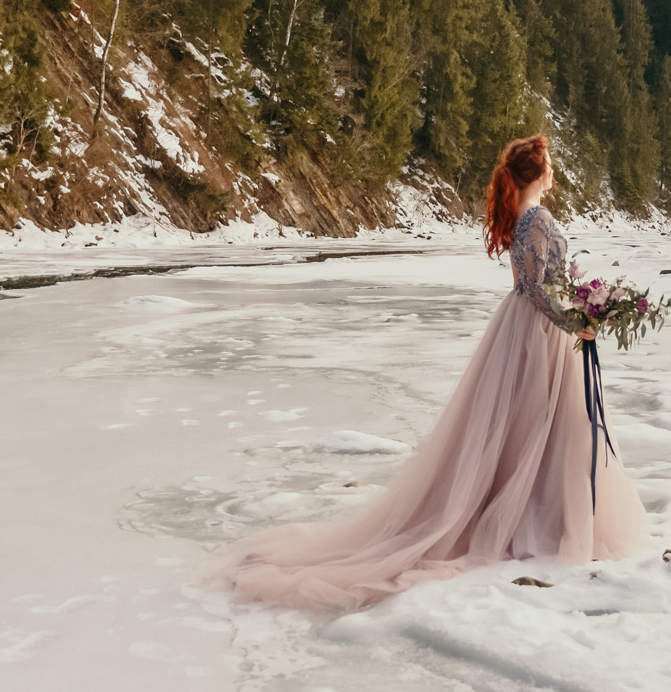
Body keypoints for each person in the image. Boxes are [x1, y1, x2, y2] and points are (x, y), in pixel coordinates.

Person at [220, 134, 648, 610]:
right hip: (541, 333)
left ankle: (529, 512)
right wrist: (580, 322)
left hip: (520, 330)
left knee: (524, 429)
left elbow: (533, 287)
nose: (553, 170)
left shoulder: (523, 219)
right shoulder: (540, 220)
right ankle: (545, 521)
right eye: (548, 163)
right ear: (538, 172)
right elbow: (543, 293)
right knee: (548, 428)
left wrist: (577, 310)